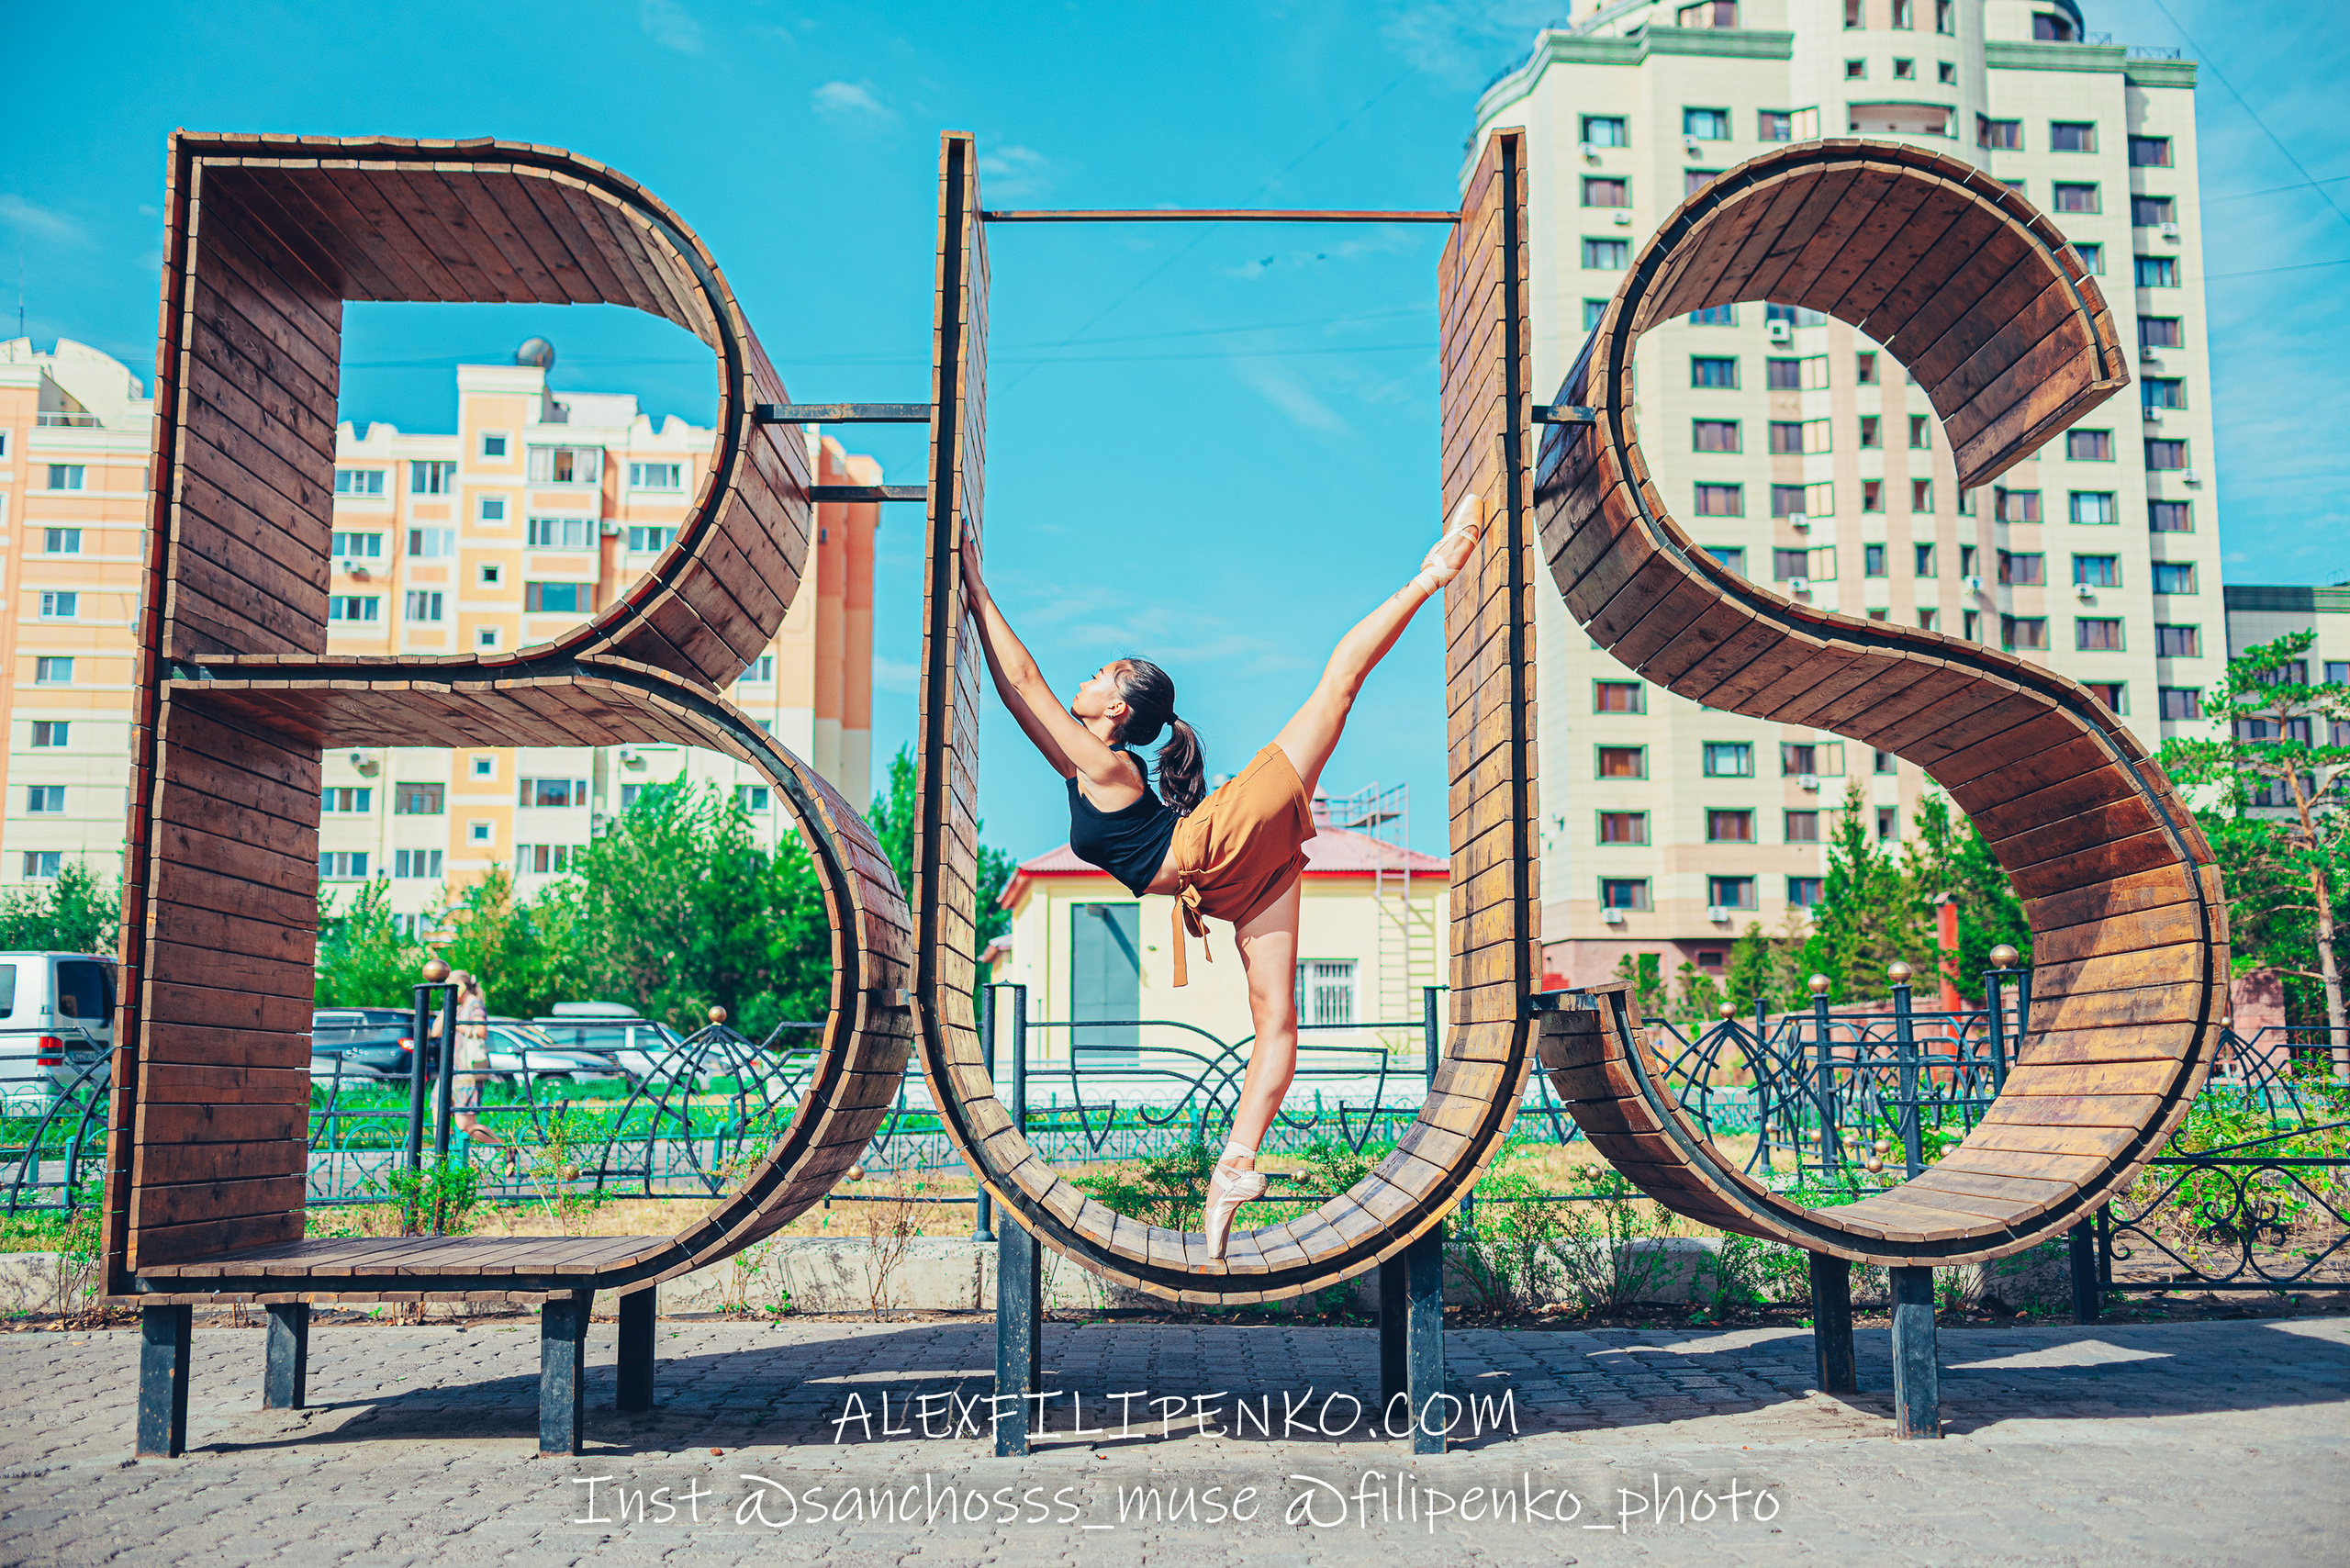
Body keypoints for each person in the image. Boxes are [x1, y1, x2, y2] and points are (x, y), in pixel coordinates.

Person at [958, 496, 1485, 1259]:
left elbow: (1022, 685)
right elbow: (1023, 697)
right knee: (1277, 1023)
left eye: (1098, 673)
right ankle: (1236, 1167)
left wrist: (976, 588)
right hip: (1235, 882)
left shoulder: (1105, 764)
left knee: (1337, 685)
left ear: (1116, 707)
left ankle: (1436, 570)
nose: (1083, 678)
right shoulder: (1093, 769)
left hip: (1221, 839)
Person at [445, 970, 507, 1161]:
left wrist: (455, 1024)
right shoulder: (458, 1007)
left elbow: (482, 1031)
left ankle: (505, 1151)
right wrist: (446, 1011)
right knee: (439, 1112)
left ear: (461, 987)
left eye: (450, 987)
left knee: (467, 1126)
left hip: (467, 1072)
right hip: (451, 1071)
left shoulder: (475, 1005)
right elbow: (435, 1031)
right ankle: (452, 1162)